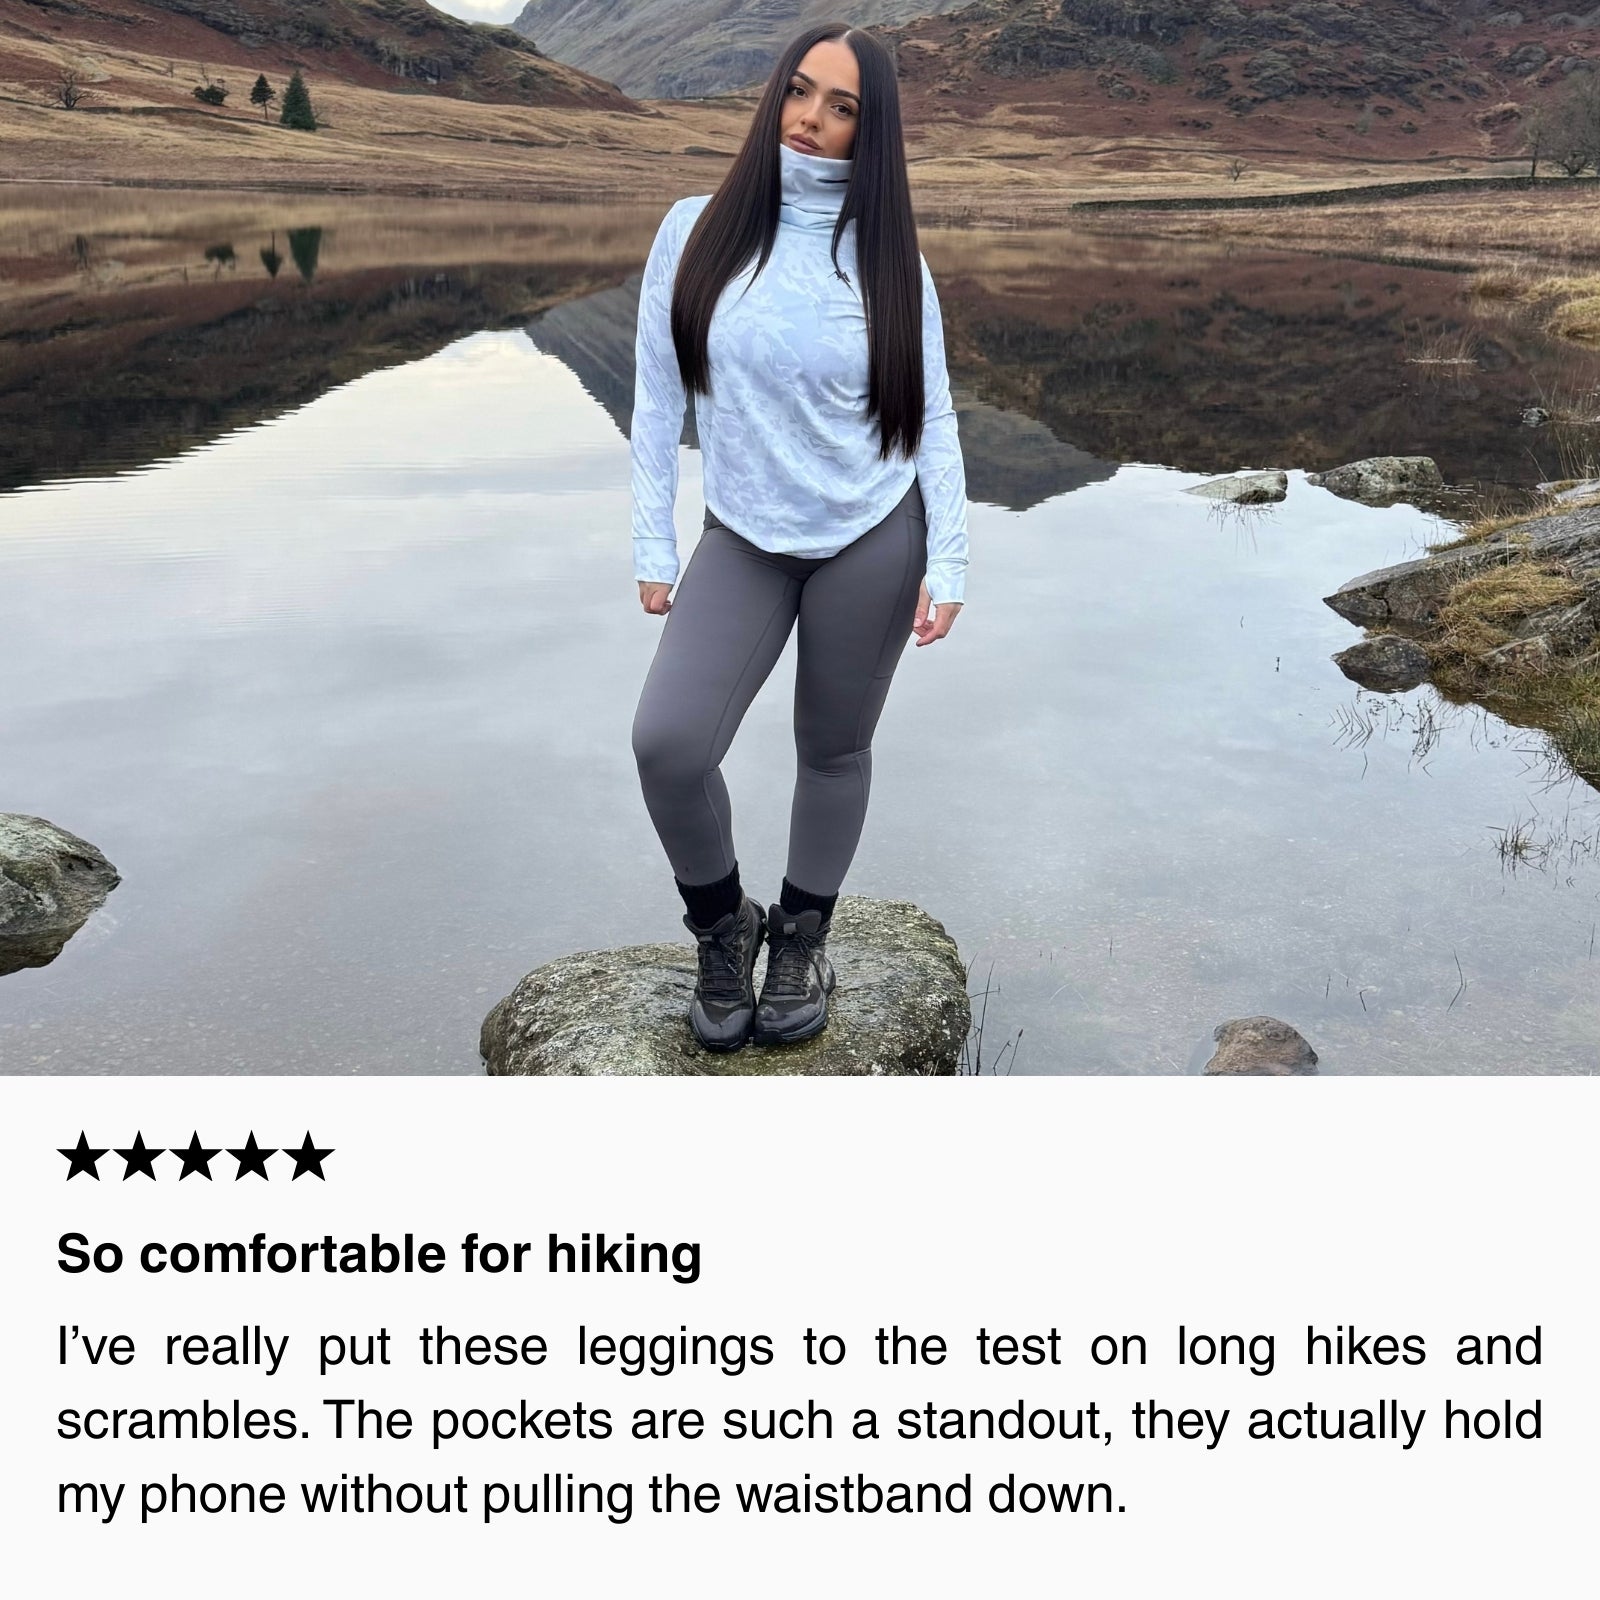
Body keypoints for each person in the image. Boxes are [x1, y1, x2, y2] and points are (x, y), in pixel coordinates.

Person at [629, 21, 968, 1054]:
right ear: (775, 93)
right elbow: (653, 397)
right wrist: (653, 539)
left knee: (830, 750)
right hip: (743, 531)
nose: (811, 121)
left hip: (871, 530)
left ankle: (800, 940)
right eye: (801, 92)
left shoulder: (891, 262)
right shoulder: (695, 228)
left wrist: (948, 553)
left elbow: (934, 417)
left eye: (843, 107)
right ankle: (723, 927)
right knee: (668, 744)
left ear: (874, 133)